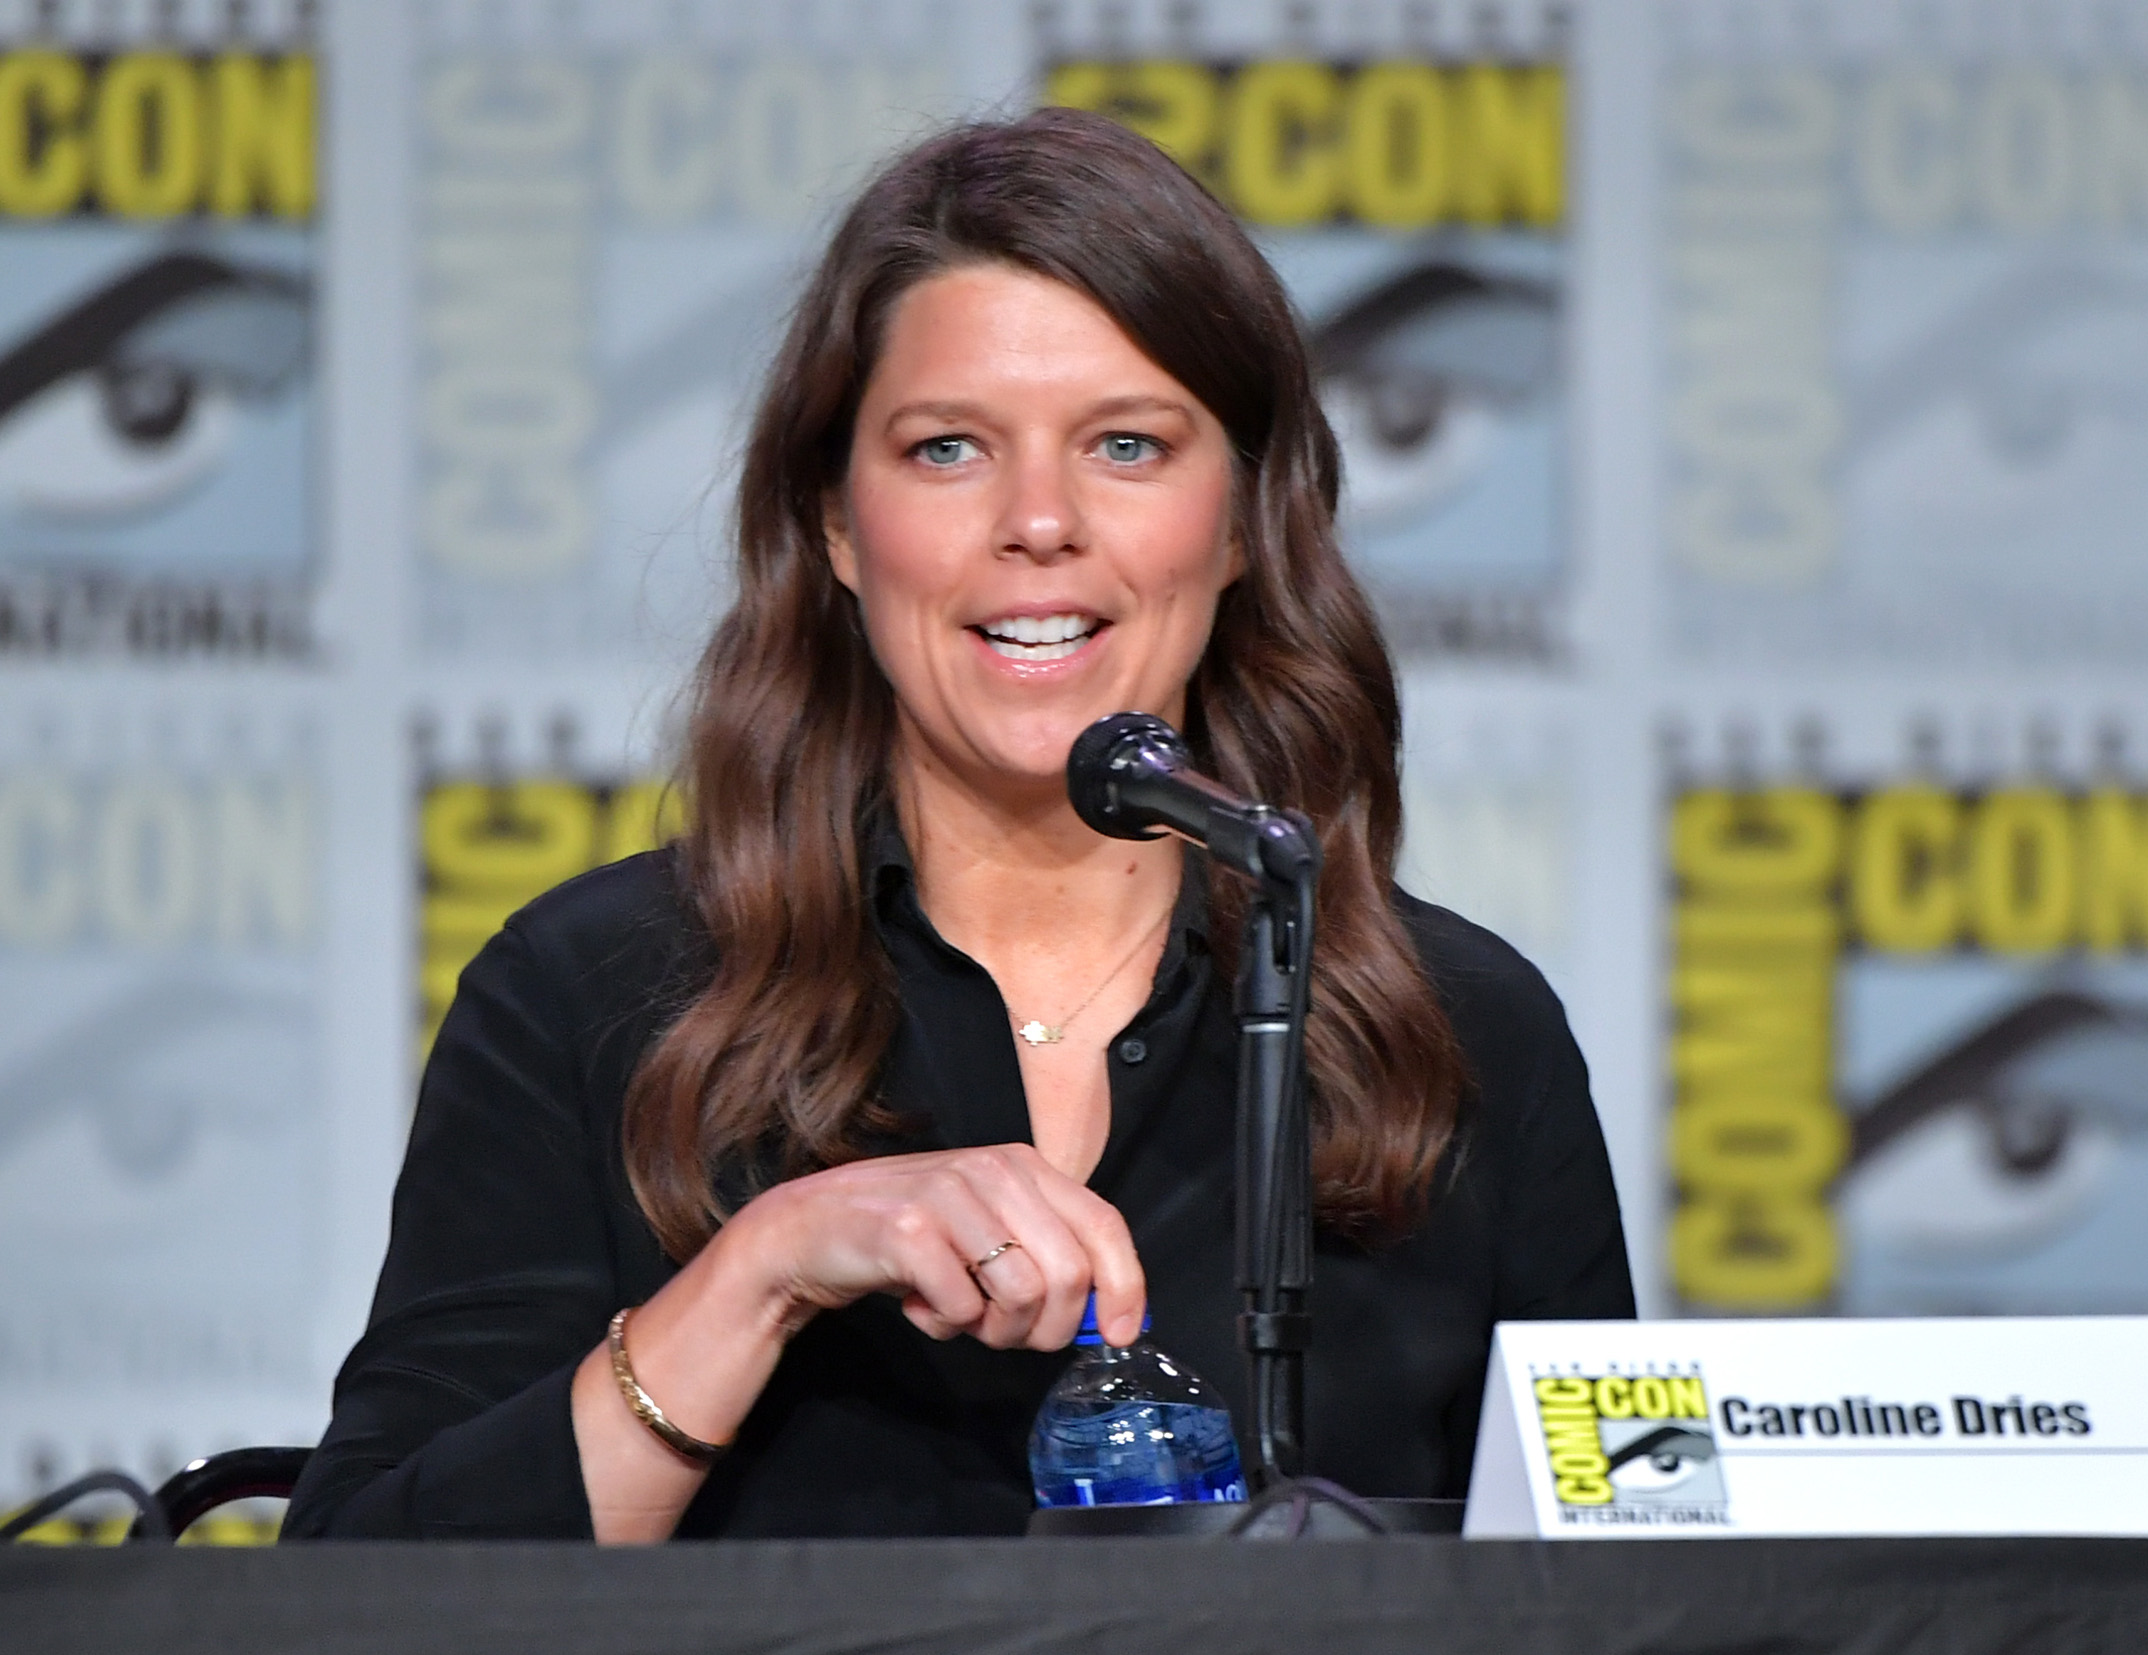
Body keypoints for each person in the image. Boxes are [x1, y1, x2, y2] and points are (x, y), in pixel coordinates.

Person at [285, 110, 1632, 1543]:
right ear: (838, 526)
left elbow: (1629, 1622)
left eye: (1127, 444)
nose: (1038, 521)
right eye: (947, 450)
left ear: (1242, 521)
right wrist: (765, 1271)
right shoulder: (595, 996)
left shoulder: (1468, 1034)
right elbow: (363, 1605)